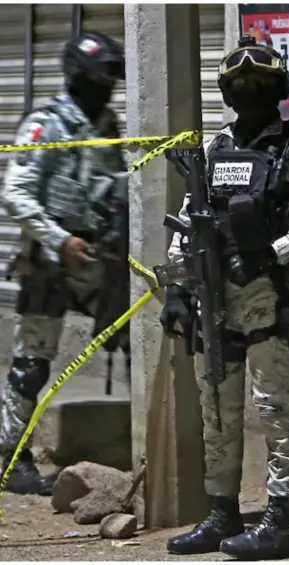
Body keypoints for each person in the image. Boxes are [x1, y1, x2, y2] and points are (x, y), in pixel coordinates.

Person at [160, 36, 289, 558]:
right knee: (217, 412)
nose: (249, 96)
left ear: (277, 89)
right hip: (214, 305)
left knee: (275, 412)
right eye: (240, 88)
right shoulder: (213, 151)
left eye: (259, 86)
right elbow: (190, 224)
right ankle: (220, 514)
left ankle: (278, 519)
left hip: (270, 304)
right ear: (227, 93)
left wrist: (273, 253)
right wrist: (175, 287)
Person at [0, 31, 127, 496]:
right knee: (31, 364)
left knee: (140, 338)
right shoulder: (46, 124)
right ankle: (13, 460)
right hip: (51, 260)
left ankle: (145, 448)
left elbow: (114, 183)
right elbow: (15, 193)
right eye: (103, 75)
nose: (110, 85)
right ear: (80, 75)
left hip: (99, 258)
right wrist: (58, 239)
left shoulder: (108, 124)